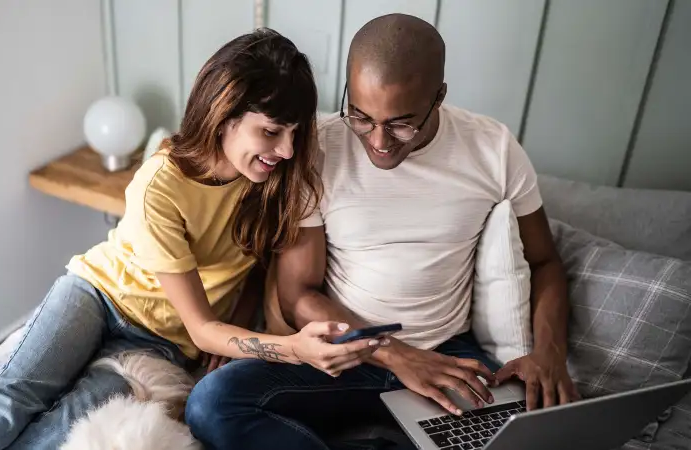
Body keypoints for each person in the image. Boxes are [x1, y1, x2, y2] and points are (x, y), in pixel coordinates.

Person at [0, 28, 382, 450]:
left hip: (159, 343)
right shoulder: (159, 185)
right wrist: (292, 348)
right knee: (7, 404)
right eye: (272, 131)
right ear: (223, 114)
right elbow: (201, 326)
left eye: (295, 133)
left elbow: (251, 273)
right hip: (97, 294)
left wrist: (235, 328)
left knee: (61, 428)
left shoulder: (273, 183)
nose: (288, 149)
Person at [185, 14, 581, 450]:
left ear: (439, 97)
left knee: (531, 436)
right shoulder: (317, 149)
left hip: (447, 355)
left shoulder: (494, 149)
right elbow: (297, 294)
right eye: (360, 116)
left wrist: (549, 354)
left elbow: (544, 261)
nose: (378, 141)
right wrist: (395, 354)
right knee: (211, 404)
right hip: (346, 353)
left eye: (400, 124)